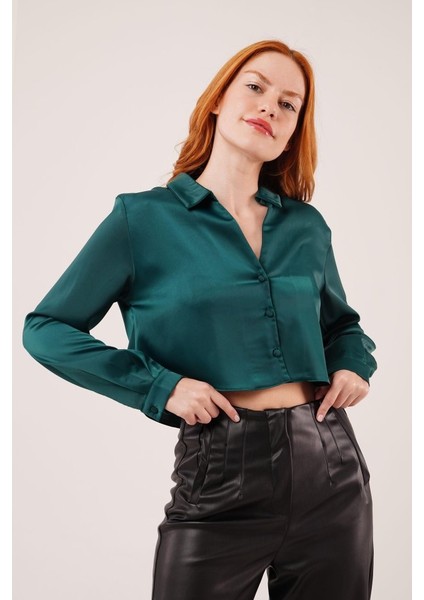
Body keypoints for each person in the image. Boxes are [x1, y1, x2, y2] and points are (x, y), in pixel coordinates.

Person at [22, 38, 377, 600]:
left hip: (331, 468)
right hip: (219, 470)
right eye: (255, 87)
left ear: (292, 132)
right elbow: (46, 329)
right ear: (217, 100)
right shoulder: (142, 219)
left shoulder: (306, 226)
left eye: (288, 104)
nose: (269, 107)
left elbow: (342, 327)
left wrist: (354, 365)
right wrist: (161, 386)